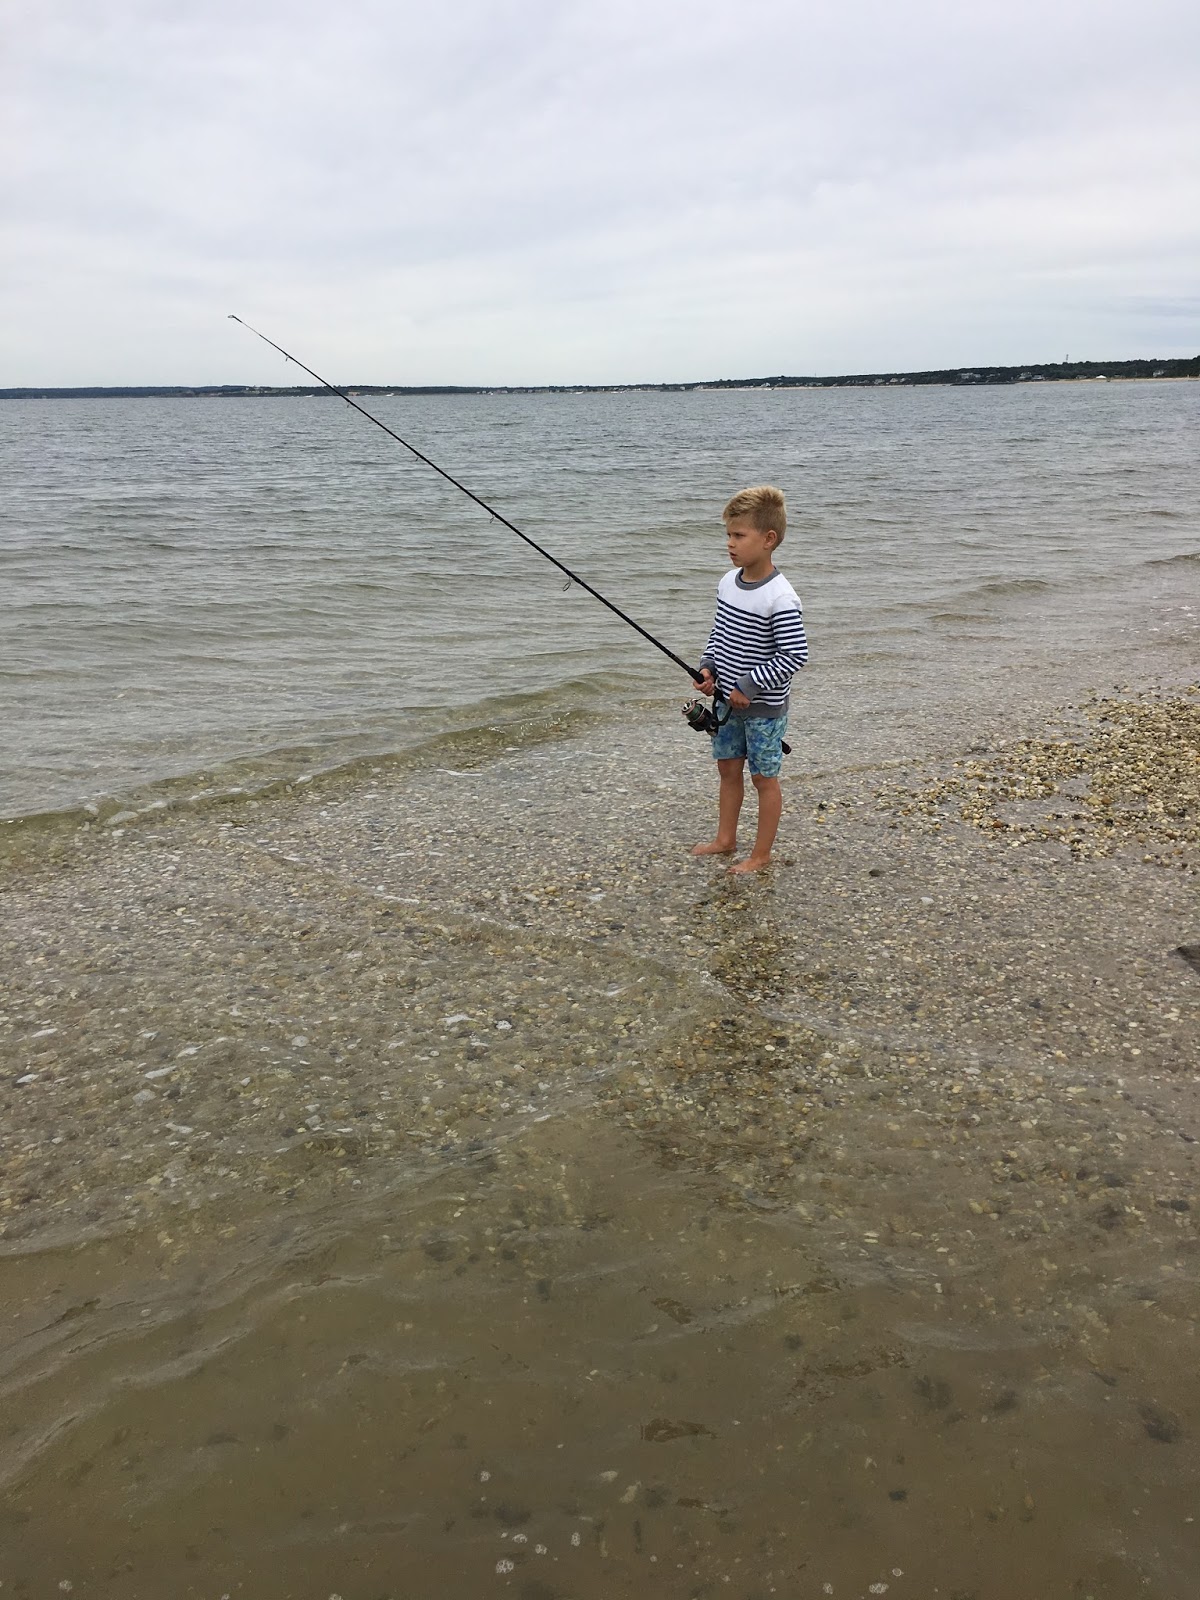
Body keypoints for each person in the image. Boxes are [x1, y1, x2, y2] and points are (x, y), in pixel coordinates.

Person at [690, 485, 808, 874]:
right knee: (728, 769)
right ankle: (725, 840)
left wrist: (749, 685)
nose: (730, 543)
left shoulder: (780, 597)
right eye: (728, 534)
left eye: (739, 535)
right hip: (725, 701)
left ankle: (761, 854)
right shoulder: (728, 582)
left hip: (764, 709)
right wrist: (708, 668)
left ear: (768, 539)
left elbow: (794, 655)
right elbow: (719, 634)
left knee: (763, 778)